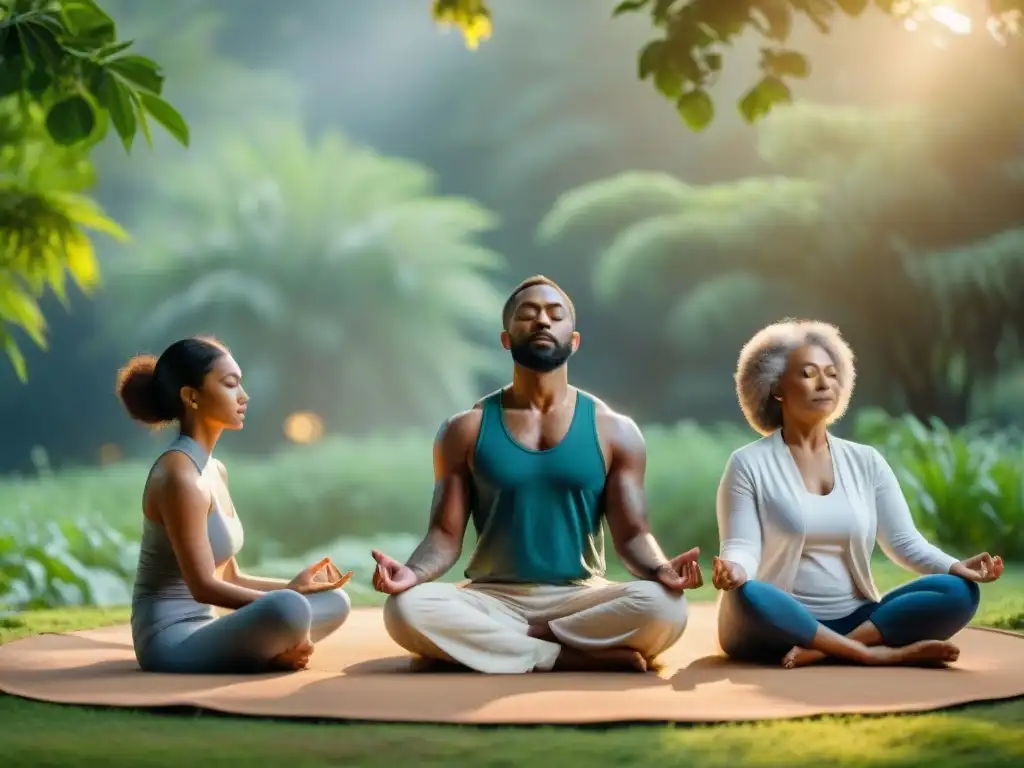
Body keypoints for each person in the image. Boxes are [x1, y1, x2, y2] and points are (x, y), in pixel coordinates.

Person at [369, 276, 702, 674]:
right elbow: (444, 535)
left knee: (664, 608)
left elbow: (632, 535)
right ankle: (567, 655)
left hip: (580, 597)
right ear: (507, 339)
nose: (543, 321)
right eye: (528, 314)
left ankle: (509, 647)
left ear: (573, 340)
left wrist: (662, 569)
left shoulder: (615, 430)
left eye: (554, 315)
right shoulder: (465, 429)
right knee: (406, 608)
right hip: (493, 599)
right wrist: (412, 573)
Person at [712, 319, 1004, 669]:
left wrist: (955, 566)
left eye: (832, 374)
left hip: (856, 618)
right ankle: (872, 654)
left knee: (958, 591)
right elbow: (741, 547)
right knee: (750, 594)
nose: (824, 383)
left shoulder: (866, 462)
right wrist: (735, 570)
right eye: (808, 373)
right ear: (776, 388)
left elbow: (905, 541)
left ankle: (831, 648)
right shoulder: (747, 464)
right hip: (779, 621)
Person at [116, 336, 354, 674]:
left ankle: (275, 646)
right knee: (289, 610)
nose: (244, 396)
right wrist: (286, 602)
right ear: (191, 396)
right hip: (170, 641)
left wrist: (292, 587)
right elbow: (203, 587)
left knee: (333, 602)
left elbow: (230, 575)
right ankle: (276, 645)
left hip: (212, 629)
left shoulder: (215, 470)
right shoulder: (178, 476)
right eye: (230, 384)